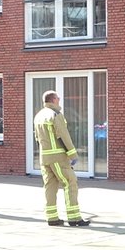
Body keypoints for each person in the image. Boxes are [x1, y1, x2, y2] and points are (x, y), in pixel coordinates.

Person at [33, 90, 90, 227]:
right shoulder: (55, 114)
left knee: (50, 186)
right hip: (58, 156)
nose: (59, 100)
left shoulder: (38, 116)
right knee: (70, 183)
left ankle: (52, 218)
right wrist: (73, 154)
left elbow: (37, 138)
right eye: (58, 98)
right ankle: (74, 218)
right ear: (53, 100)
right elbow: (63, 135)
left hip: (44, 157)